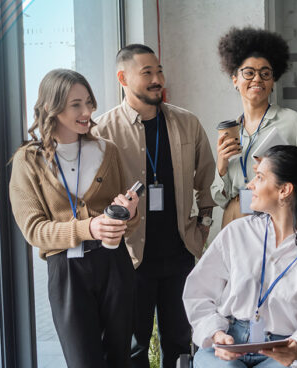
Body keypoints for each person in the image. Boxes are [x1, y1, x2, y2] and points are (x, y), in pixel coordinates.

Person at [93, 44, 216, 368]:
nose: (157, 78)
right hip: (130, 258)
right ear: (123, 77)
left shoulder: (186, 122)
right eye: (147, 72)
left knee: (179, 341)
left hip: (180, 254)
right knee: (133, 347)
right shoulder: (102, 131)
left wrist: (203, 224)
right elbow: (92, 198)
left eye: (158, 71)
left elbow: (206, 177)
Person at [9, 69, 139, 367]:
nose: (87, 111)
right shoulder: (29, 160)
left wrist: (129, 214)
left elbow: (128, 222)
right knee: (83, 361)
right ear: (51, 109)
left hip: (114, 266)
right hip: (67, 271)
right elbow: (34, 230)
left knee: (120, 358)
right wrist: (89, 227)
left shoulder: (107, 150)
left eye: (89, 102)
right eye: (76, 104)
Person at [184, 145, 297, 368]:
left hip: (284, 352)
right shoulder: (237, 233)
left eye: (260, 177)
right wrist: (215, 334)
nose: (250, 185)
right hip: (227, 343)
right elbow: (198, 293)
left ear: (285, 190)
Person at [211, 27, 297, 228]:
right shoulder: (231, 131)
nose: (257, 79)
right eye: (249, 72)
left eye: (265, 73)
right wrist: (221, 166)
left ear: (273, 82)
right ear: (235, 80)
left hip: (272, 221)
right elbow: (219, 199)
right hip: (233, 219)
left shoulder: (294, 123)